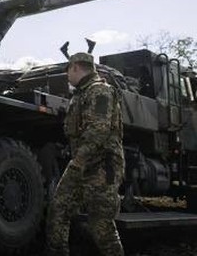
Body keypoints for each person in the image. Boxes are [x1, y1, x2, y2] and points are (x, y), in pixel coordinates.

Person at [46, 52, 125, 256]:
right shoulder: (80, 94)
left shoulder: (100, 91)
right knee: (59, 209)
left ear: (75, 68)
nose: (67, 77)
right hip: (81, 164)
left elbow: (99, 130)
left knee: (101, 224)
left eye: (68, 72)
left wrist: (78, 161)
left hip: (101, 166)